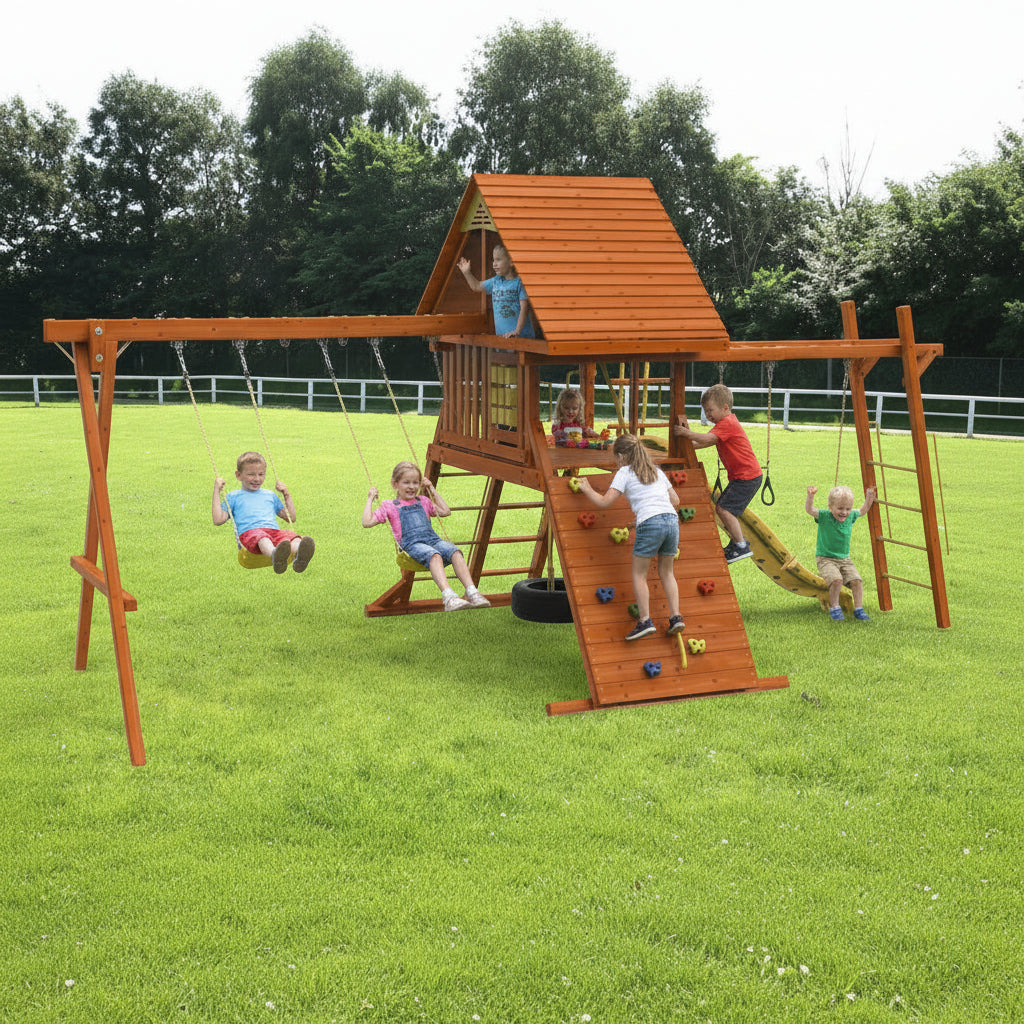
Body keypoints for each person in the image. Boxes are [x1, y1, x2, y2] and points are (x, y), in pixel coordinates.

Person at [576, 434, 684, 641]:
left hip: (650, 523)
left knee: (639, 574)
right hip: (671, 521)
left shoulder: (624, 472)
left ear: (622, 456)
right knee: (667, 572)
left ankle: (645, 620)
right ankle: (676, 617)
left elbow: (604, 502)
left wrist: (587, 489)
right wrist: (651, 516)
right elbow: (676, 501)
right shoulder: (656, 471)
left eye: (616, 458)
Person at [362, 461, 490, 611]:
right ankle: (449, 597)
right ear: (395, 484)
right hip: (412, 545)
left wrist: (431, 488)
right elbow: (367, 522)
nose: (412, 486)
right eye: (406, 482)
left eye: (415, 482)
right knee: (434, 555)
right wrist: (370, 498)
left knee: (454, 551)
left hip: (432, 540)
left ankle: (472, 592)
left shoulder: (423, 501)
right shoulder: (389, 506)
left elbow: (445, 511)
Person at [673, 383, 761, 563]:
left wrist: (686, 433)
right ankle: (737, 543)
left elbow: (706, 438)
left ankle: (741, 546)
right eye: (705, 411)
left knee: (724, 509)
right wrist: (686, 449)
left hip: (747, 477)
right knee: (724, 508)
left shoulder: (727, 423)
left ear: (725, 408)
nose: (708, 415)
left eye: (710, 410)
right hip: (745, 477)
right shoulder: (725, 424)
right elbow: (706, 442)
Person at [213, 451, 315, 574]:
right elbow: (218, 520)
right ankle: (275, 555)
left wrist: (286, 494)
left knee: (291, 537)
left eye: (261, 474)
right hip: (251, 535)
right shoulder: (233, 497)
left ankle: (300, 556)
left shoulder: (269, 495)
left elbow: (291, 517)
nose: (257, 479)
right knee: (262, 537)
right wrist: (216, 491)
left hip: (274, 533)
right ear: (239, 475)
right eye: (251, 474)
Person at [805, 483, 876, 621]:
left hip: (845, 559)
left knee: (857, 580)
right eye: (840, 508)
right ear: (830, 507)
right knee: (836, 580)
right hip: (825, 559)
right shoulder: (825, 516)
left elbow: (862, 510)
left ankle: (859, 609)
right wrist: (810, 496)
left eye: (848, 508)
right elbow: (810, 510)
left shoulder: (851, 516)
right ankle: (834, 607)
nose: (844, 512)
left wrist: (869, 497)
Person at [456, 243, 535, 339]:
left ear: (511, 262)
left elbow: (524, 308)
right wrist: (467, 273)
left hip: (523, 338)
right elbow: (476, 286)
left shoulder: (519, 282)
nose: (494, 263)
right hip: (503, 339)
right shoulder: (495, 281)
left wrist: (517, 331)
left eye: (498, 259)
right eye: (493, 260)